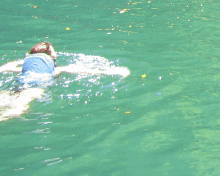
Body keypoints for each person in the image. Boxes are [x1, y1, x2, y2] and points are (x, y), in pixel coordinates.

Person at [0, 41, 129, 122]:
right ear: (52, 56)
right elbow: (81, 70)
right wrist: (111, 72)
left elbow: (4, 68)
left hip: (19, 85)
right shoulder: (57, 70)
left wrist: (19, 62)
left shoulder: (23, 68)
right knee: (18, 109)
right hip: (35, 88)